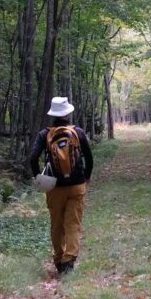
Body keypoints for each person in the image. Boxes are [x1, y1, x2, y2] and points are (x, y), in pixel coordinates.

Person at [29, 96, 94, 275]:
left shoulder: (45, 134)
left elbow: (33, 158)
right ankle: (69, 260)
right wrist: (86, 177)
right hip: (77, 185)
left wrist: (38, 178)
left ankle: (58, 258)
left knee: (56, 224)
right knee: (73, 224)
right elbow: (89, 157)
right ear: (67, 113)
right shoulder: (78, 132)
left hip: (54, 187)